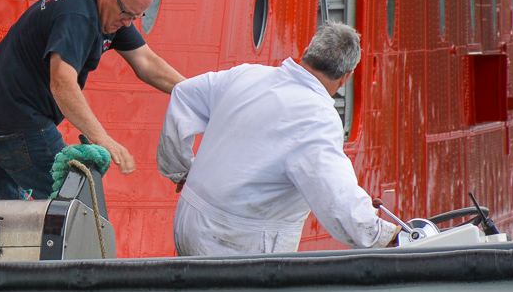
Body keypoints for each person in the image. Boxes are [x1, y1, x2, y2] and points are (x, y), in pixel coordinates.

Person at [156, 21, 398, 255]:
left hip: (189, 219)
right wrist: (381, 235)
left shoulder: (246, 75)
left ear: (307, 52)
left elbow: (183, 95)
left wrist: (182, 171)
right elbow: (338, 198)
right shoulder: (318, 118)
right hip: (235, 241)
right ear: (346, 77)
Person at [0, 0, 185, 198]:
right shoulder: (77, 15)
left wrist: (197, 92)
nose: (128, 23)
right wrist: (102, 138)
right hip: (13, 122)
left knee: (4, 214)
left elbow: (147, 63)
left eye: (136, 16)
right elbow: (62, 83)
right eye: (126, 13)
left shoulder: (109, 11)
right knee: (76, 202)